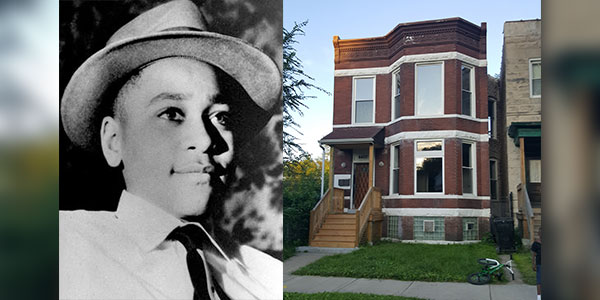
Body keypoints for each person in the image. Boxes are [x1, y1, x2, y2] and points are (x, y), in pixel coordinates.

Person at [59, 1, 282, 299]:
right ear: (113, 140)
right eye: (172, 113)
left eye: (221, 117)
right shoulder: (60, 248)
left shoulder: (266, 278)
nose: (205, 140)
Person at [531, 227, 541, 300]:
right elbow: (534, 255)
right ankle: (539, 296)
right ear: (538, 234)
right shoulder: (536, 243)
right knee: (539, 280)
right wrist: (533, 264)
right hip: (539, 264)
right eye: (540, 232)